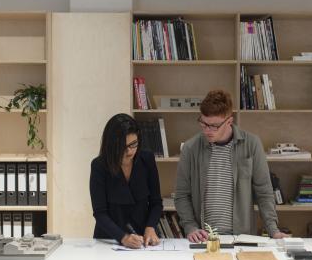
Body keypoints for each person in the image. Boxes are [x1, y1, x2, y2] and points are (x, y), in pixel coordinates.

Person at [175, 90, 288, 243]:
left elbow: (264, 193)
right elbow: (182, 195)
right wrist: (190, 227)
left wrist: (273, 230)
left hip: (242, 237)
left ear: (229, 121)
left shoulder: (252, 144)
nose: (207, 130)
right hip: (203, 239)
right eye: (203, 123)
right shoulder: (190, 148)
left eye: (214, 126)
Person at [90, 113, 163, 248]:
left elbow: (156, 202)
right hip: (110, 239)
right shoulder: (99, 166)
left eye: (133, 144)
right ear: (111, 145)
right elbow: (100, 213)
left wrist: (150, 227)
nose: (129, 151)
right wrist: (123, 237)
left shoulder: (147, 159)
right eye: (123, 147)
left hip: (143, 239)